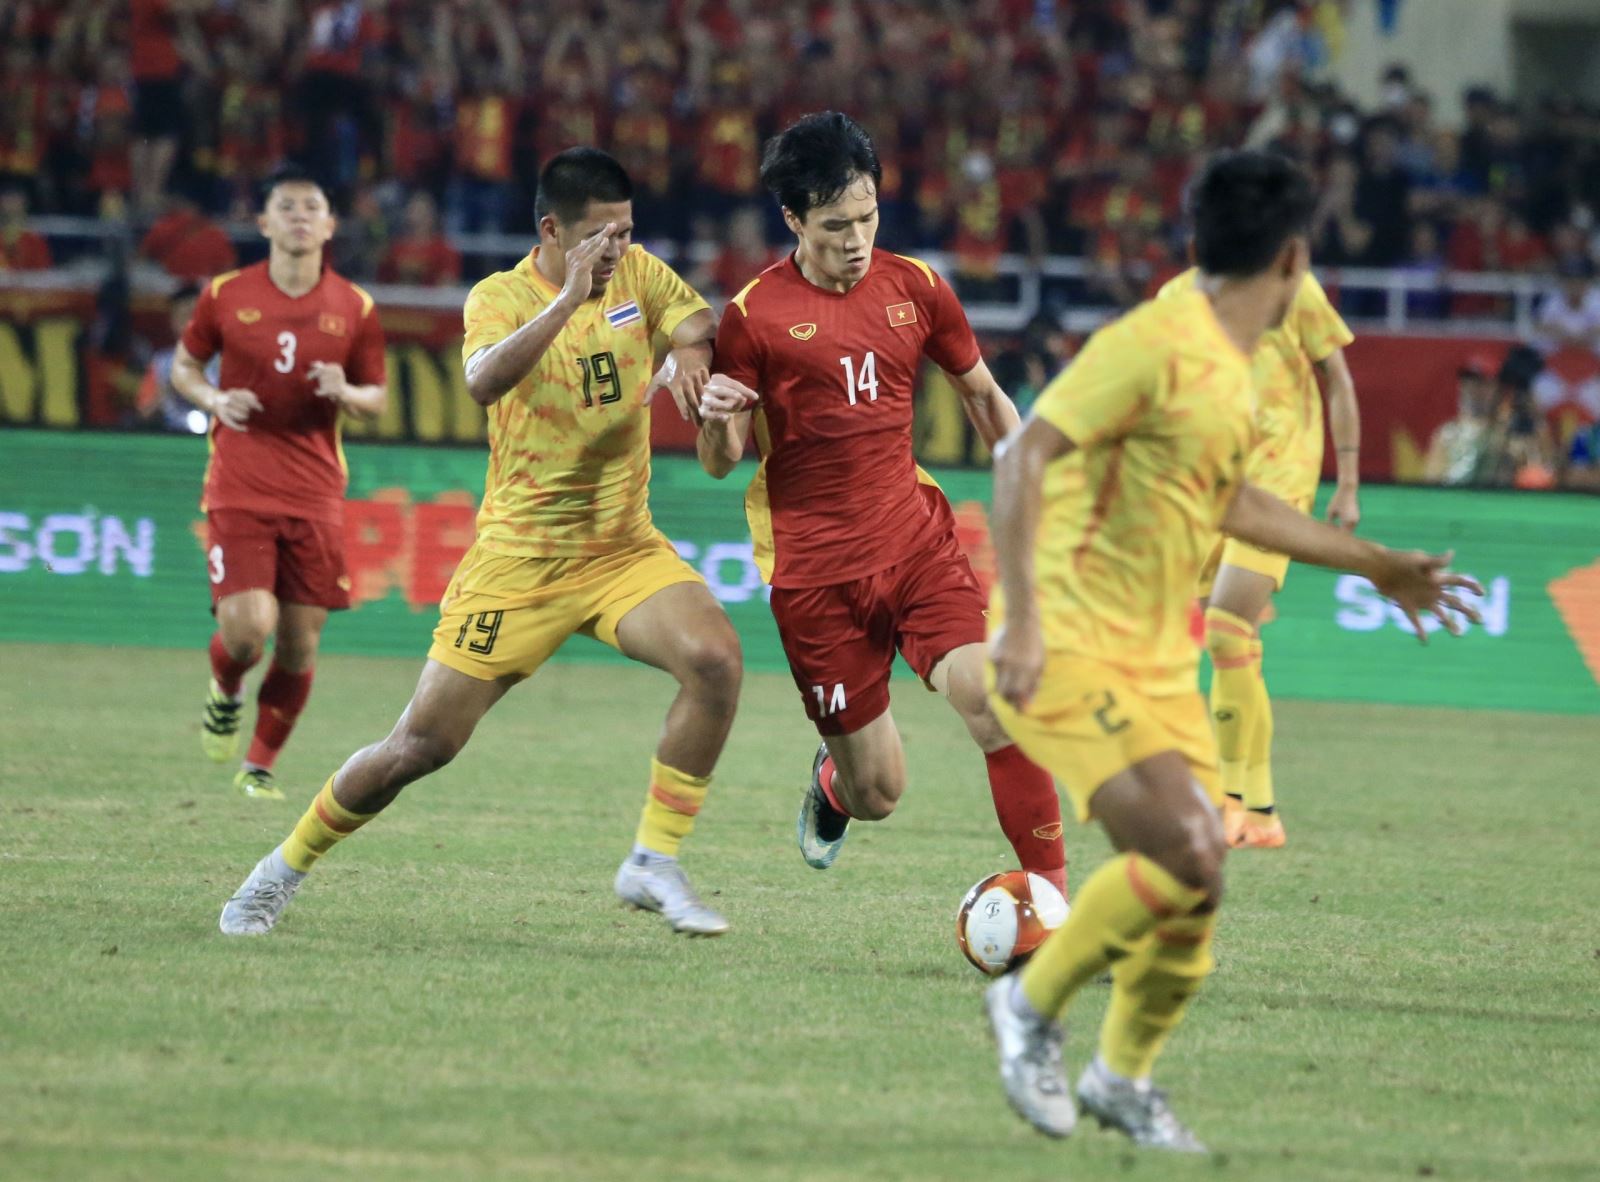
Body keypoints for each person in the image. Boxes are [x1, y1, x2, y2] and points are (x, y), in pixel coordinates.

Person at [980, 150, 1479, 1152]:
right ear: (1296, 257)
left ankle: (1122, 1077)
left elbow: (1230, 499)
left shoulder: (1233, 365)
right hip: (1068, 640)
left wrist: (1370, 562)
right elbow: (1020, 452)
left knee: (1196, 884)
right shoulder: (1156, 342)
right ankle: (1029, 1005)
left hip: (1154, 660)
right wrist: (1027, 621)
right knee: (1186, 848)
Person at [216, 147, 741, 938]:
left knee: (716, 659)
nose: (618, 252)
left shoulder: (641, 277)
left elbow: (699, 324)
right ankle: (280, 868)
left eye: (627, 234)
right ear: (553, 232)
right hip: (519, 560)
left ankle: (653, 860)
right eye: (602, 237)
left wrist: (694, 363)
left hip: (621, 547)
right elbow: (483, 380)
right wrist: (567, 299)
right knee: (419, 747)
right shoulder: (497, 298)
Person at [696, 113, 1067, 895]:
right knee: (880, 795)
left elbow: (983, 396)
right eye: (835, 225)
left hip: (916, 544)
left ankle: (1054, 905)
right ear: (793, 219)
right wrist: (717, 418)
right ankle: (836, 786)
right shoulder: (753, 317)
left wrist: (1037, 489)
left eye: (868, 217)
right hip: (818, 580)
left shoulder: (918, 287)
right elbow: (722, 464)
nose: (857, 239)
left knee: (999, 705)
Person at [171, 164, 388, 800]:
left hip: (316, 491)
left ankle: (259, 766)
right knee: (248, 628)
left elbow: (376, 397)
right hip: (239, 482)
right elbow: (184, 366)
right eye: (285, 206)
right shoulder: (224, 293)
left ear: (329, 224)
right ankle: (227, 687)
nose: (298, 215)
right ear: (264, 222)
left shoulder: (355, 306)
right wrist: (212, 399)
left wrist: (345, 391)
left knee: (298, 646)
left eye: (310, 205)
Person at [1159, 257, 1362, 849]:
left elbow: (1339, 379)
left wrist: (1347, 480)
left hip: (1279, 479)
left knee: (1224, 628)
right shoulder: (1178, 295)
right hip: (1212, 483)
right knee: (1232, 645)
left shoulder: (1294, 287)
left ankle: (1227, 802)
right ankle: (1263, 813)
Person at [134, 282, 212, 432]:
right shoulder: (161, 362)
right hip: (173, 437)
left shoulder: (227, 359)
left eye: (195, 316)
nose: (190, 323)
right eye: (183, 316)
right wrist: (168, 391)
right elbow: (144, 414)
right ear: (173, 321)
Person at [1423, 355, 1499, 486]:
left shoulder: (1506, 433)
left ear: (1494, 388)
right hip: (1454, 502)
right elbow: (1432, 479)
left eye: (1481, 383)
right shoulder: (1447, 433)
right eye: (1469, 382)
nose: (1473, 389)